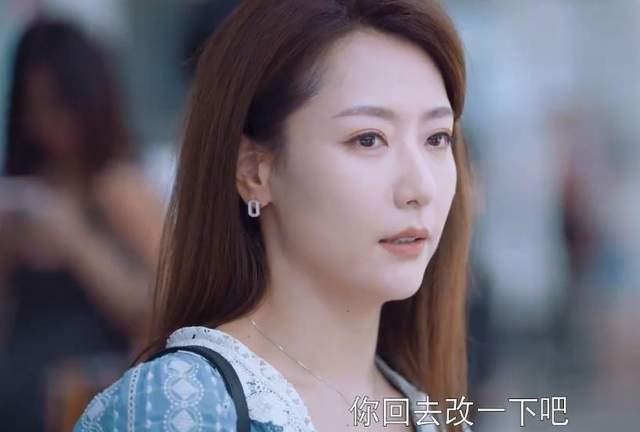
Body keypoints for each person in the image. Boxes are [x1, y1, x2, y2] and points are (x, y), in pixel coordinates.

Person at [74, 0, 474, 431]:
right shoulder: (177, 408)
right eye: (368, 139)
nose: (420, 188)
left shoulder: (425, 413)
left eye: (436, 138)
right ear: (254, 171)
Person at [0, 17, 164, 430]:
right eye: (35, 107)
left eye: (57, 106)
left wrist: (74, 239)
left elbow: (158, 306)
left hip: (90, 403)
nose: (46, 124)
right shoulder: (27, 189)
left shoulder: (120, 188)